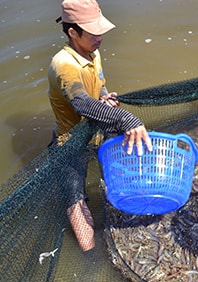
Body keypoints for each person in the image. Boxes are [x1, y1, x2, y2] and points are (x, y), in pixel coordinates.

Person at [48, 0, 152, 252]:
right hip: (72, 144)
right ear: (73, 32)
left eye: (100, 30)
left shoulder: (93, 52)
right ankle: (90, 260)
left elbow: (99, 85)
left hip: (97, 133)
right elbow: (82, 103)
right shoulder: (64, 65)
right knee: (83, 228)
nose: (101, 37)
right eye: (94, 32)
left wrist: (104, 97)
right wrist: (127, 119)